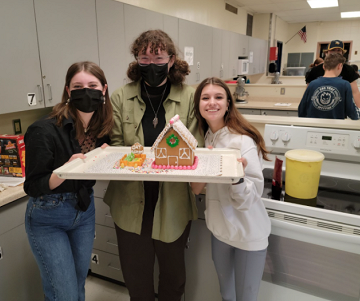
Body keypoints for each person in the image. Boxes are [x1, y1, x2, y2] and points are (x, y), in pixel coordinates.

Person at [103, 29, 203, 301]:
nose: (151, 64)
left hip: (173, 201)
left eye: (158, 58)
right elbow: (115, 146)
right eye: (144, 58)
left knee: (173, 279)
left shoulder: (190, 96)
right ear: (136, 60)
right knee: (137, 281)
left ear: (171, 60)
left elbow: (193, 146)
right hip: (130, 201)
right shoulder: (121, 97)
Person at [24, 61, 113, 301]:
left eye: (92, 85)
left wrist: (107, 156)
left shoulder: (101, 127)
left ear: (103, 90)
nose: (86, 91)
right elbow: (32, 186)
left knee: (78, 285)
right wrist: (63, 171)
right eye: (78, 86)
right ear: (68, 91)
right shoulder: (43, 130)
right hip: (48, 215)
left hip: (84, 211)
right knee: (63, 294)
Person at [191, 77, 271, 301]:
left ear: (228, 104)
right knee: (226, 294)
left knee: (246, 297)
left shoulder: (242, 141)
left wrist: (237, 179)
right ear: (198, 105)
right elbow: (196, 189)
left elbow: (248, 200)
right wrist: (200, 164)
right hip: (221, 231)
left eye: (219, 97)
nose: (212, 103)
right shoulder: (208, 137)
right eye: (205, 98)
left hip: (248, 233)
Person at [306, 40, 360, 120]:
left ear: (342, 53)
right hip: (317, 113)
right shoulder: (315, 71)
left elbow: (355, 93)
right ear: (326, 52)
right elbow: (308, 92)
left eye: (338, 50)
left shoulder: (348, 70)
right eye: (333, 50)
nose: (335, 52)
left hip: (338, 113)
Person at [299, 53, 360, 120]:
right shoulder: (345, 84)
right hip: (334, 127)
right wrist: (359, 113)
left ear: (323, 67)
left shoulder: (312, 84)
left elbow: (302, 109)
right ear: (339, 66)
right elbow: (351, 112)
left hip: (313, 126)